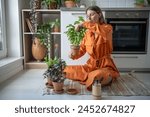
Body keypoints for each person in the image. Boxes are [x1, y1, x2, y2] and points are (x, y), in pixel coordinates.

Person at [64, 6, 120, 91]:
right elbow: (82, 50)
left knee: (98, 75)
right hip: (90, 65)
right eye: (87, 16)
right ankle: (90, 77)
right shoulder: (87, 33)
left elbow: (100, 30)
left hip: (105, 66)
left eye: (92, 14)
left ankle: (97, 77)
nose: (89, 18)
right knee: (65, 69)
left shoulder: (107, 28)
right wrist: (73, 55)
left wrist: (83, 24)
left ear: (99, 14)